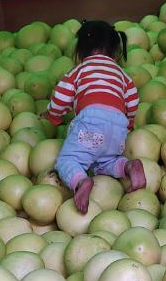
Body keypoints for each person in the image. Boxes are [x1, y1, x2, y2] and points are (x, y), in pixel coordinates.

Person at [44, 19, 146, 214]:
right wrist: (129, 122)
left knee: (68, 160)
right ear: (116, 49)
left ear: (80, 48)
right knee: (105, 162)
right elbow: (132, 101)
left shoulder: (79, 70)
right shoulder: (123, 75)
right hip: (118, 126)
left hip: (91, 122)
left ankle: (80, 181)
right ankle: (128, 167)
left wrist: (53, 116)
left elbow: (61, 97)